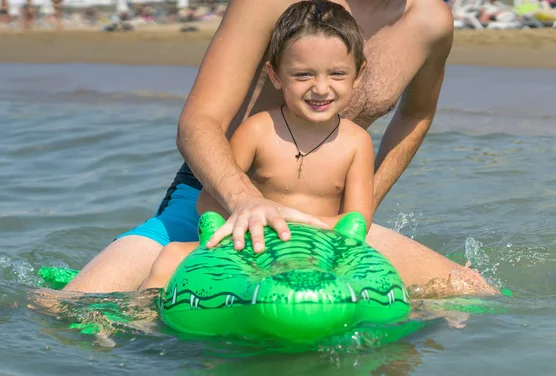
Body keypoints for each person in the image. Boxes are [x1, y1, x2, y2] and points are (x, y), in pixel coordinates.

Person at [65, 0, 496, 296]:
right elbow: (198, 123)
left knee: (475, 295)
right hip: (218, 201)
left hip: (323, 216)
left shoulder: (430, 22)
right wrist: (248, 202)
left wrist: (357, 214)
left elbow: (416, 114)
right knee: (66, 312)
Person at [139, 1, 373, 289]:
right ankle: (145, 324)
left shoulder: (356, 143)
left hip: (321, 251)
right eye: (303, 75)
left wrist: (295, 229)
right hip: (253, 247)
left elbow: (358, 221)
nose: (321, 88)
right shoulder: (257, 129)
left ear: (358, 74)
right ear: (275, 74)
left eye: (337, 74)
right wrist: (253, 225)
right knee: (170, 255)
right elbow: (208, 201)